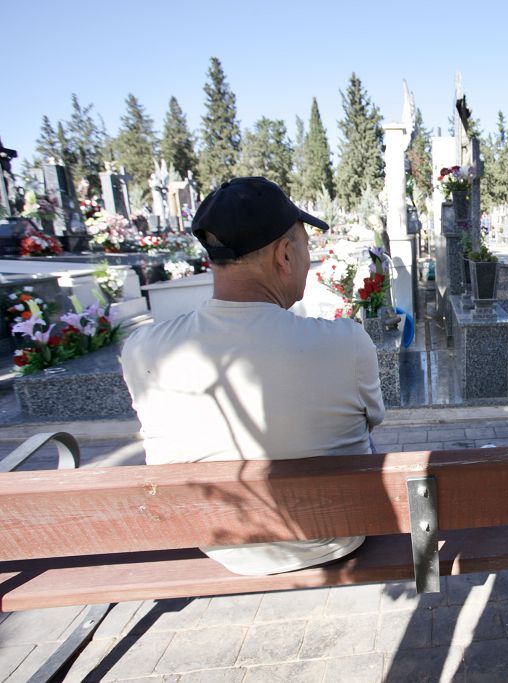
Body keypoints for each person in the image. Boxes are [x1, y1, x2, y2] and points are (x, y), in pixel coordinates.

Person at [121, 176, 385, 576]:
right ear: (284, 255)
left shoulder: (143, 349)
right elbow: (372, 422)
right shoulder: (346, 343)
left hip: (218, 543)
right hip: (335, 536)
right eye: (305, 245)